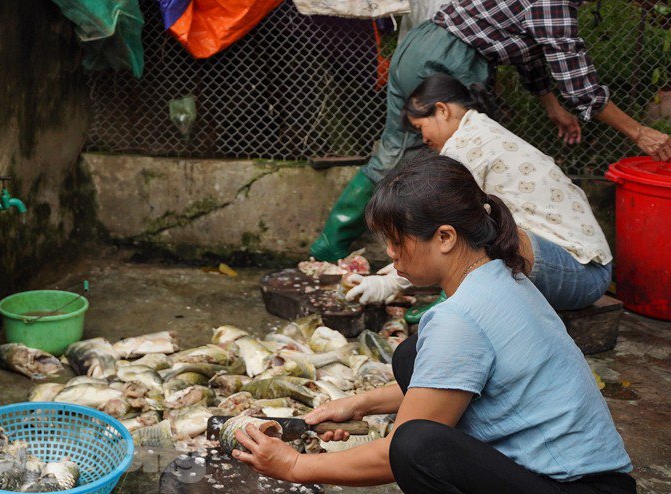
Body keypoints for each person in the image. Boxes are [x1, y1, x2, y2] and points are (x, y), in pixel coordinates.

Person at [234, 154, 635, 493]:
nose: (391, 255)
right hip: (600, 479)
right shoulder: (503, 273)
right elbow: (447, 378)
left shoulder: (458, 317)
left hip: (578, 486)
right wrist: (357, 404)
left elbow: (394, 455)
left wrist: (293, 467)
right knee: (411, 355)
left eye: (396, 241)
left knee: (415, 445)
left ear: (445, 237)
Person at [308, 0, 671, 263]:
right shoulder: (552, 4)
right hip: (445, 62)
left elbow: (527, 54)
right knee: (459, 162)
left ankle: (384, 252)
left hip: (423, 46)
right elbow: (583, 90)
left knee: (417, 153)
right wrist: (639, 133)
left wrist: (550, 105)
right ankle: (413, 259)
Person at [348, 74, 613, 312]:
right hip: (581, 269)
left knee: (469, 230)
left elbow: (436, 229)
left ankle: (454, 304)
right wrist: (387, 278)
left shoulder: (465, 146)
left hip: (583, 275)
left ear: (441, 110)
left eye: (420, 127)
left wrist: (390, 283)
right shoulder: (477, 131)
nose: (423, 139)